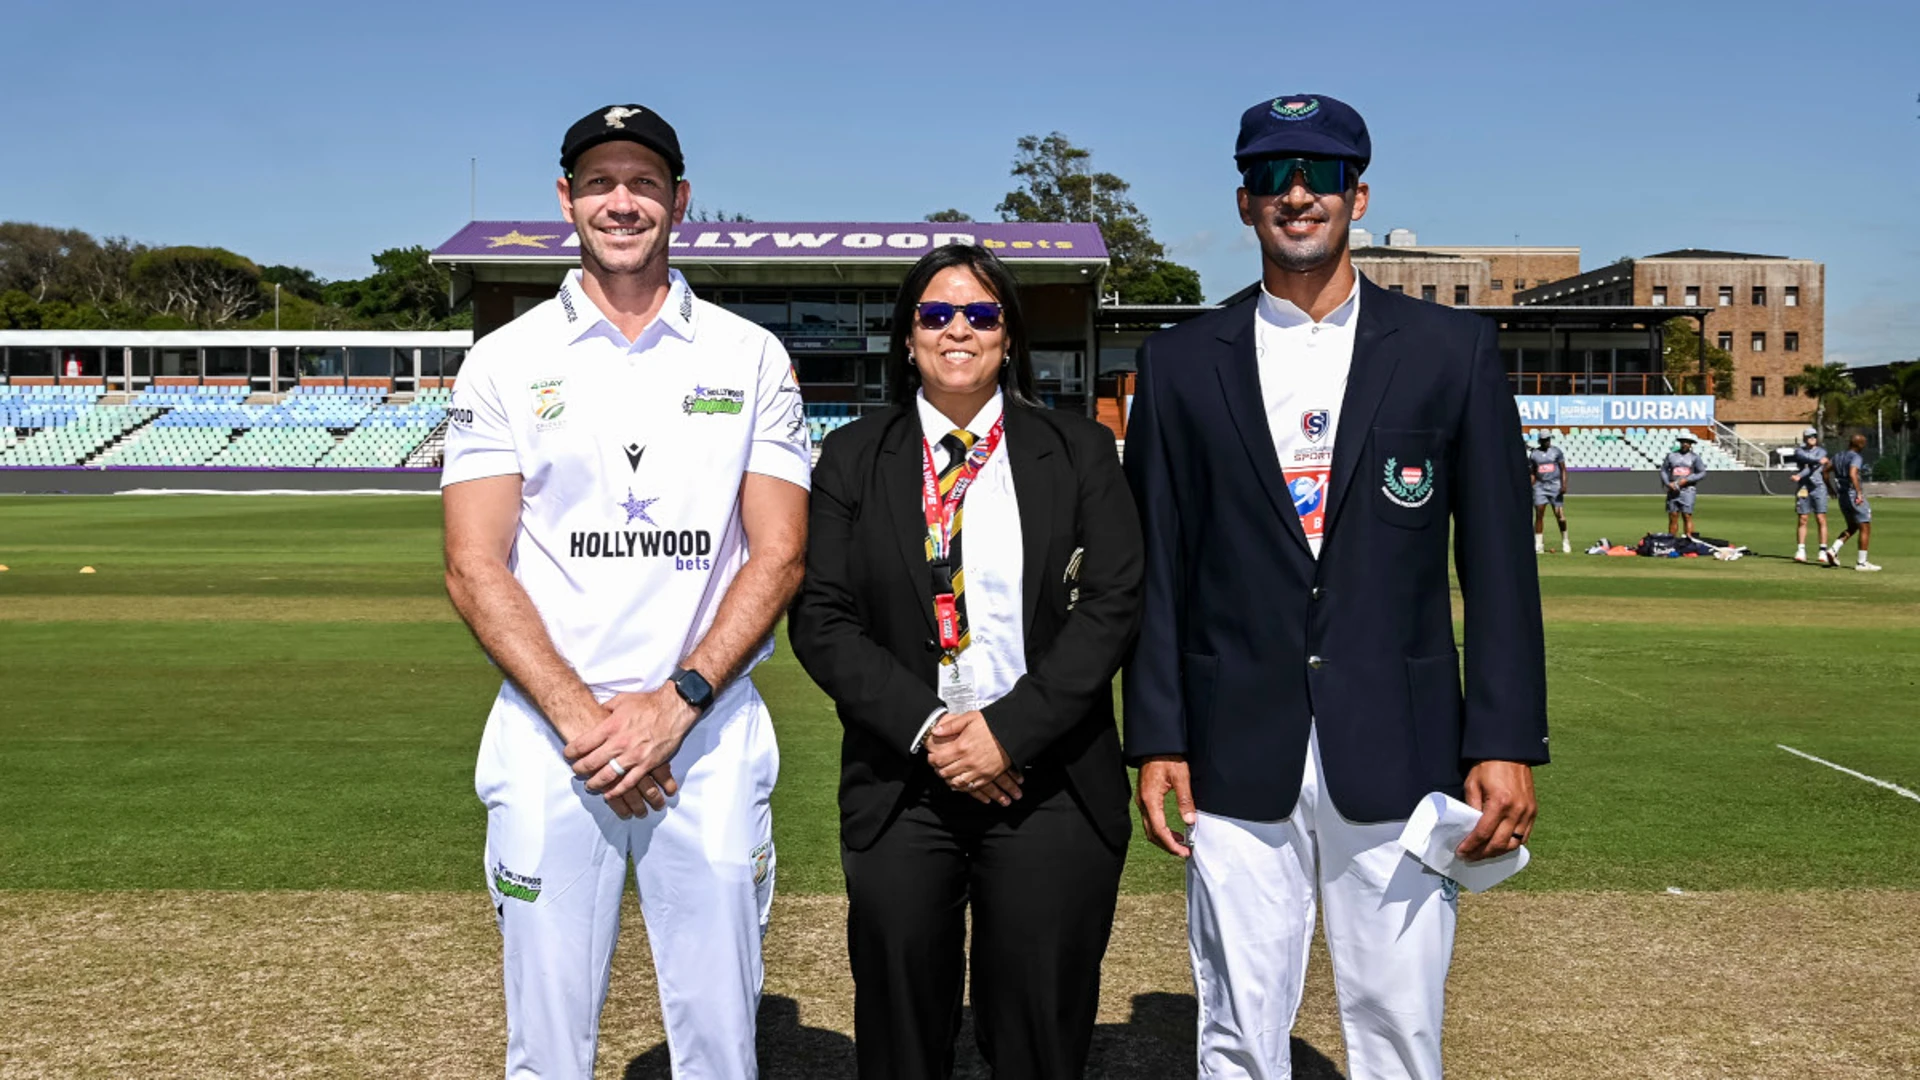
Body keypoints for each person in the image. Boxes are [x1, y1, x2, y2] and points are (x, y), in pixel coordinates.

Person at [1123, 93, 1546, 1080]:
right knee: (1236, 1032)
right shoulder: (1181, 364)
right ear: (1243, 202)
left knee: (1400, 1028)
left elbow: (1497, 564)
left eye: (1319, 174)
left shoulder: (1452, 352)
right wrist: (1157, 737)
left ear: (1360, 195)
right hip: (1235, 750)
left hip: (1399, 745)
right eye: (1273, 175)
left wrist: (1503, 739)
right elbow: (1157, 571)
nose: (1297, 194)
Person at [440, 104, 812, 1079]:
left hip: (709, 734)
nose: (622, 201)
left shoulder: (750, 357)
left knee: (722, 1046)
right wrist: (588, 721)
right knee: (548, 1050)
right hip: (550, 741)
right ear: (565, 198)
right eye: (600, 181)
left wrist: (673, 704)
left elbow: (776, 556)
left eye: (643, 183)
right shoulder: (506, 360)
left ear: (678, 201)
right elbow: (474, 566)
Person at [788, 244, 1142, 1080]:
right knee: (902, 1038)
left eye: (981, 314)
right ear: (907, 337)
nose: (958, 330)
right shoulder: (850, 460)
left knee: (1037, 1039)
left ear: (1008, 336)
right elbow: (823, 620)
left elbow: (1113, 605)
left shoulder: (1080, 451)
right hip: (903, 784)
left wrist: (1007, 734)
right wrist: (936, 734)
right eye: (936, 314)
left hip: (1048, 781)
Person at [1824, 433, 1880, 571]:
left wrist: (1830, 489)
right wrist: (1859, 493)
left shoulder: (1838, 456)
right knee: (1865, 527)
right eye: (1864, 443)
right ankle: (1862, 563)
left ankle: (1833, 550)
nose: (1864, 446)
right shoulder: (1856, 457)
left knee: (1853, 527)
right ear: (1859, 444)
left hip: (1842, 497)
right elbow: (1852, 473)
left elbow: (1825, 471)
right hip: (1853, 495)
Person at [1788, 427, 1832, 564]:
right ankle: (1801, 549)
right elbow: (1808, 460)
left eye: (1814, 436)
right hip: (1804, 487)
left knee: (1821, 518)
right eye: (1809, 436)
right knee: (1803, 518)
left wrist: (1800, 474)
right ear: (1805, 438)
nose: (1812, 438)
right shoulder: (1799, 451)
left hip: (1819, 487)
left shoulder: (1822, 450)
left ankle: (1823, 550)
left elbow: (1813, 464)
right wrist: (1817, 461)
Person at [1528, 430, 1570, 554]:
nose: (1547, 442)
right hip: (1540, 487)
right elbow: (1533, 472)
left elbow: (1563, 469)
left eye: (1548, 439)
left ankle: (1565, 541)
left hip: (1555, 486)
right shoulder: (1534, 454)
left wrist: (1564, 484)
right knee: (1539, 515)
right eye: (1544, 440)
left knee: (1559, 515)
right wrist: (1532, 485)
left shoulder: (1556, 452)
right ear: (1540, 440)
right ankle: (1538, 544)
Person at [1662, 433, 1707, 537]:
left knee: (1687, 515)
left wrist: (1687, 480)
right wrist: (1668, 483)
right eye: (1683, 442)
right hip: (1673, 490)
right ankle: (1671, 541)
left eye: (1688, 442)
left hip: (1688, 490)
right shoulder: (1671, 455)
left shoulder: (1695, 457)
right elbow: (1664, 470)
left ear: (1691, 444)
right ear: (1680, 443)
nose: (1685, 444)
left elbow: (1702, 472)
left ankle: (1689, 541)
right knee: (1673, 515)